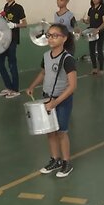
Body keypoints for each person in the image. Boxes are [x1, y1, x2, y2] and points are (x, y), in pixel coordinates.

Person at [26, 24, 77, 178]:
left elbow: (73, 86)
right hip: (47, 98)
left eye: (55, 35)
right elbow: (43, 72)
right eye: (49, 35)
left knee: (61, 131)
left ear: (64, 38)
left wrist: (56, 102)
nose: (51, 38)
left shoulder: (67, 59)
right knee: (50, 131)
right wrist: (32, 86)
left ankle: (66, 162)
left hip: (62, 99)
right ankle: (55, 159)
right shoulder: (46, 55)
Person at [0, 0, 27, 99]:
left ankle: (15, 89)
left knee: (12, 65)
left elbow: (25, 24)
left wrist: (14, 25)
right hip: (3, 39)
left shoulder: (18, 8)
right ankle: (9, 87)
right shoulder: (6, 6)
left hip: (12, 40)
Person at [83, 0, 104, 75]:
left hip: (100, 32)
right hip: (91, 32)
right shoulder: (91, 9)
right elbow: (88, 21)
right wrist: (84, 21)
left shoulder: (102, 9)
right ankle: (94, 68)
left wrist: (98, 29)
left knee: (99, 50)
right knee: (91, 50)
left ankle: (101, 69)